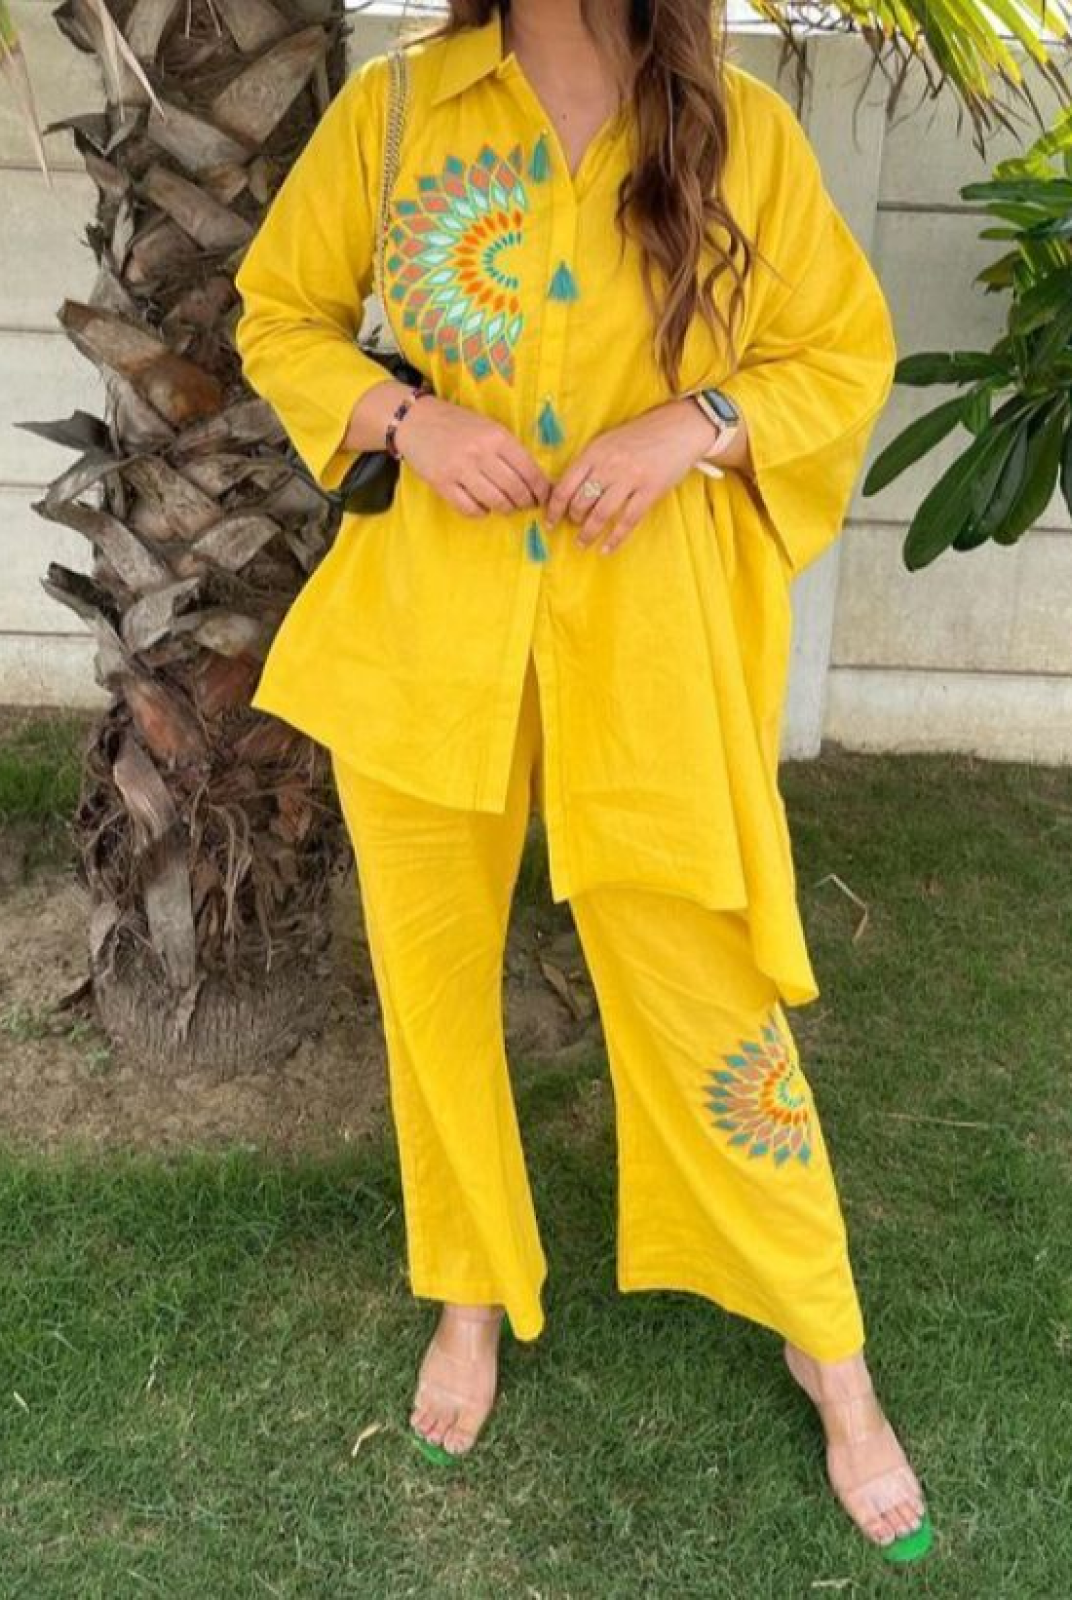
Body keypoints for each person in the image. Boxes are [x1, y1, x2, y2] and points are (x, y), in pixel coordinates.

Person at [233, 0, 932, 1563]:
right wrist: (408, 418)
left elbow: (840, 350)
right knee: (431, 991)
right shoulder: (397, 111)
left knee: (707, 990)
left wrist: (698, 425)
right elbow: (278, 312)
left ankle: (828, 1345)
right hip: (426, 637)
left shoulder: (742, 130)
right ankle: (468, 1293)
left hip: (649, 642)